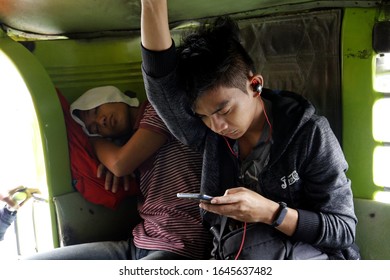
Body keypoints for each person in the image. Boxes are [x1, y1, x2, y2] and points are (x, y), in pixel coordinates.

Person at [140, 0, 360, 259]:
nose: (217, 126)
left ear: (255, 85)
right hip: (234, 253)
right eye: (204, 116)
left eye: (224, 110)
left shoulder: (310, 134)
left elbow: (343, 229)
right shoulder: (208, 134)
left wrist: (271, 213)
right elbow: (161, 83)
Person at [26, 85, 212, 260]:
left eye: (96, 111)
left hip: (182, 244)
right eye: (95, 129)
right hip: (140, 242)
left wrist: (92, 140)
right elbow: (119, 165)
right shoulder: (128, 145)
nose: (101, 121)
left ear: (112, 95)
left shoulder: (158, 109)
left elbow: (120, 163)